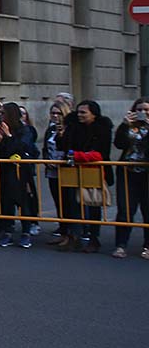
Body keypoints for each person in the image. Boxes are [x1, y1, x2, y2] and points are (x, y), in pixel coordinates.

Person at [59, 100, 113, 253]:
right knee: (72, 203)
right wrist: (63, 135)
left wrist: (77, 155)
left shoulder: (102, 129)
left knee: (92, 204)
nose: (80, 115)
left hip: (93, 171)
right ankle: (75, 236)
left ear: (93, 114)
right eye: (79, 112)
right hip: (73, 170)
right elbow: (64, 146)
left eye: (84, 112)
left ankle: (93, 238)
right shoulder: (73, 127)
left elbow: (100, 153)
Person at [0, 102, 38, 247]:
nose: (1, 116)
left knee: (24, 202)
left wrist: (9, 136)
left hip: (21, 172)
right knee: (6, 201)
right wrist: (0, 140)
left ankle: (26, 231)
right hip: (6, 171)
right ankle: (7, 230)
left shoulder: (25, 130)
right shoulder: (0, 128)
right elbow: (2, 152)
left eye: (3, 113)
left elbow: (21, 148)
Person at [111, 97, 149, 259]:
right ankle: (121, 245)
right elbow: (119, 144)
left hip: (146, 174)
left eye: (146, 110)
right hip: (128, 172)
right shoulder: (129, 127)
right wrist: (124, 125)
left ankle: (147, 246)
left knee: (148, 210)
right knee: (125, 209)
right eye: (139, 109)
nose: (142, 113)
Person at [41, 99, 71, 244]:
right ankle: (62, 230)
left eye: (58, 113)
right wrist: (47, 160)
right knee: (58, 201)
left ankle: (72, 234)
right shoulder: (50, 129)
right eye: (52, 113)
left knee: (68, 201)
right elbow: (45, 147)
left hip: (66, 169)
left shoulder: (70, 128)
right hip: (52, 170)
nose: (55, 116)